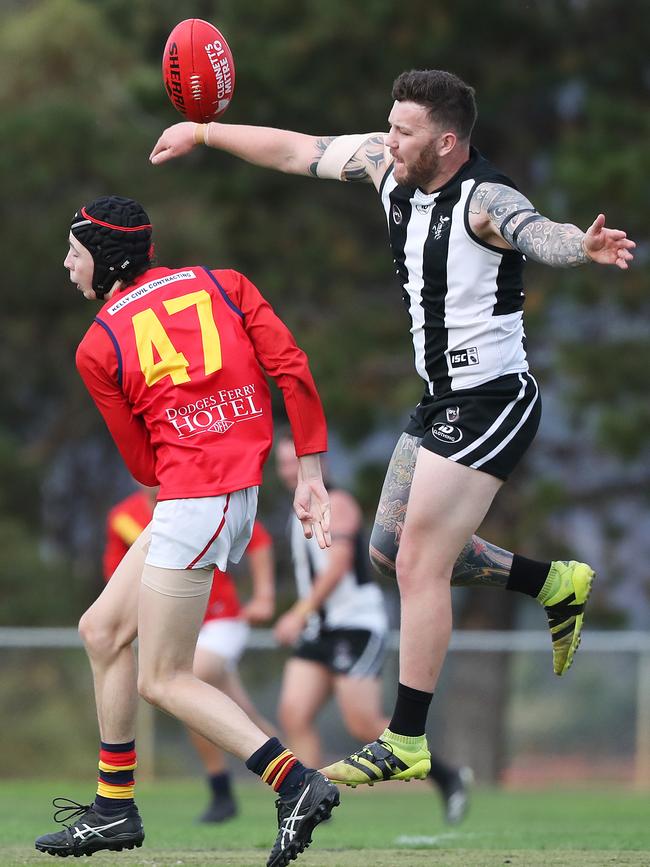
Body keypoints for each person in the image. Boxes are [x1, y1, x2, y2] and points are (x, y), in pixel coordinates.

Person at [150, 68, 636, 787]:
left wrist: (581, 247)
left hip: (493, 399)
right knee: (385, 552)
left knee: (418, 564)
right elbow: (297, 151)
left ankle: (405, 737)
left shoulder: (484, 198)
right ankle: (553, 583)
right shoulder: (387, 167)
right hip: (439, 401)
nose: (389, 136)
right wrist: (203, 130)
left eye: (404, 129)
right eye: (390, 123)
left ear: (444, 141)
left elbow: (538, 231)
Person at [35, 195, 339, 867]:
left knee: (165, 677)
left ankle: (295, 781)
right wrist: (312, 468)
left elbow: (144, 464)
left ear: (107, 261)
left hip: (194, 497)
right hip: (226, 493)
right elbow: (291, 366)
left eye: (74, 251)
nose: (66, 263)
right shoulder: (224, 284)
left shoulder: (97, 343)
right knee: (102, 629)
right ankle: (114, 807)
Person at [273, 433, 472, 824]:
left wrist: (299, 611)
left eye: (293, 463)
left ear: (317, 464)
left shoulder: (339, 504)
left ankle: (449, 778)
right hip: (321, 630)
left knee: (363, 722)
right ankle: (311, 805)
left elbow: (340, 563)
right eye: (281, 465)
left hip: (356, 627)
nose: (286, 472)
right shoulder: (296, 511)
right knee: (293, 713)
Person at [103, 485, 277, 823]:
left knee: (182, 682)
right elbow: (116, 577)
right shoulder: (123, 517)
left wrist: (266, 594)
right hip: (175, 626)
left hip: (220, 621)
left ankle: (226, 789)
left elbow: (257, 538)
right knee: (238, 711)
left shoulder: (198, 502)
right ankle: (301, 781)